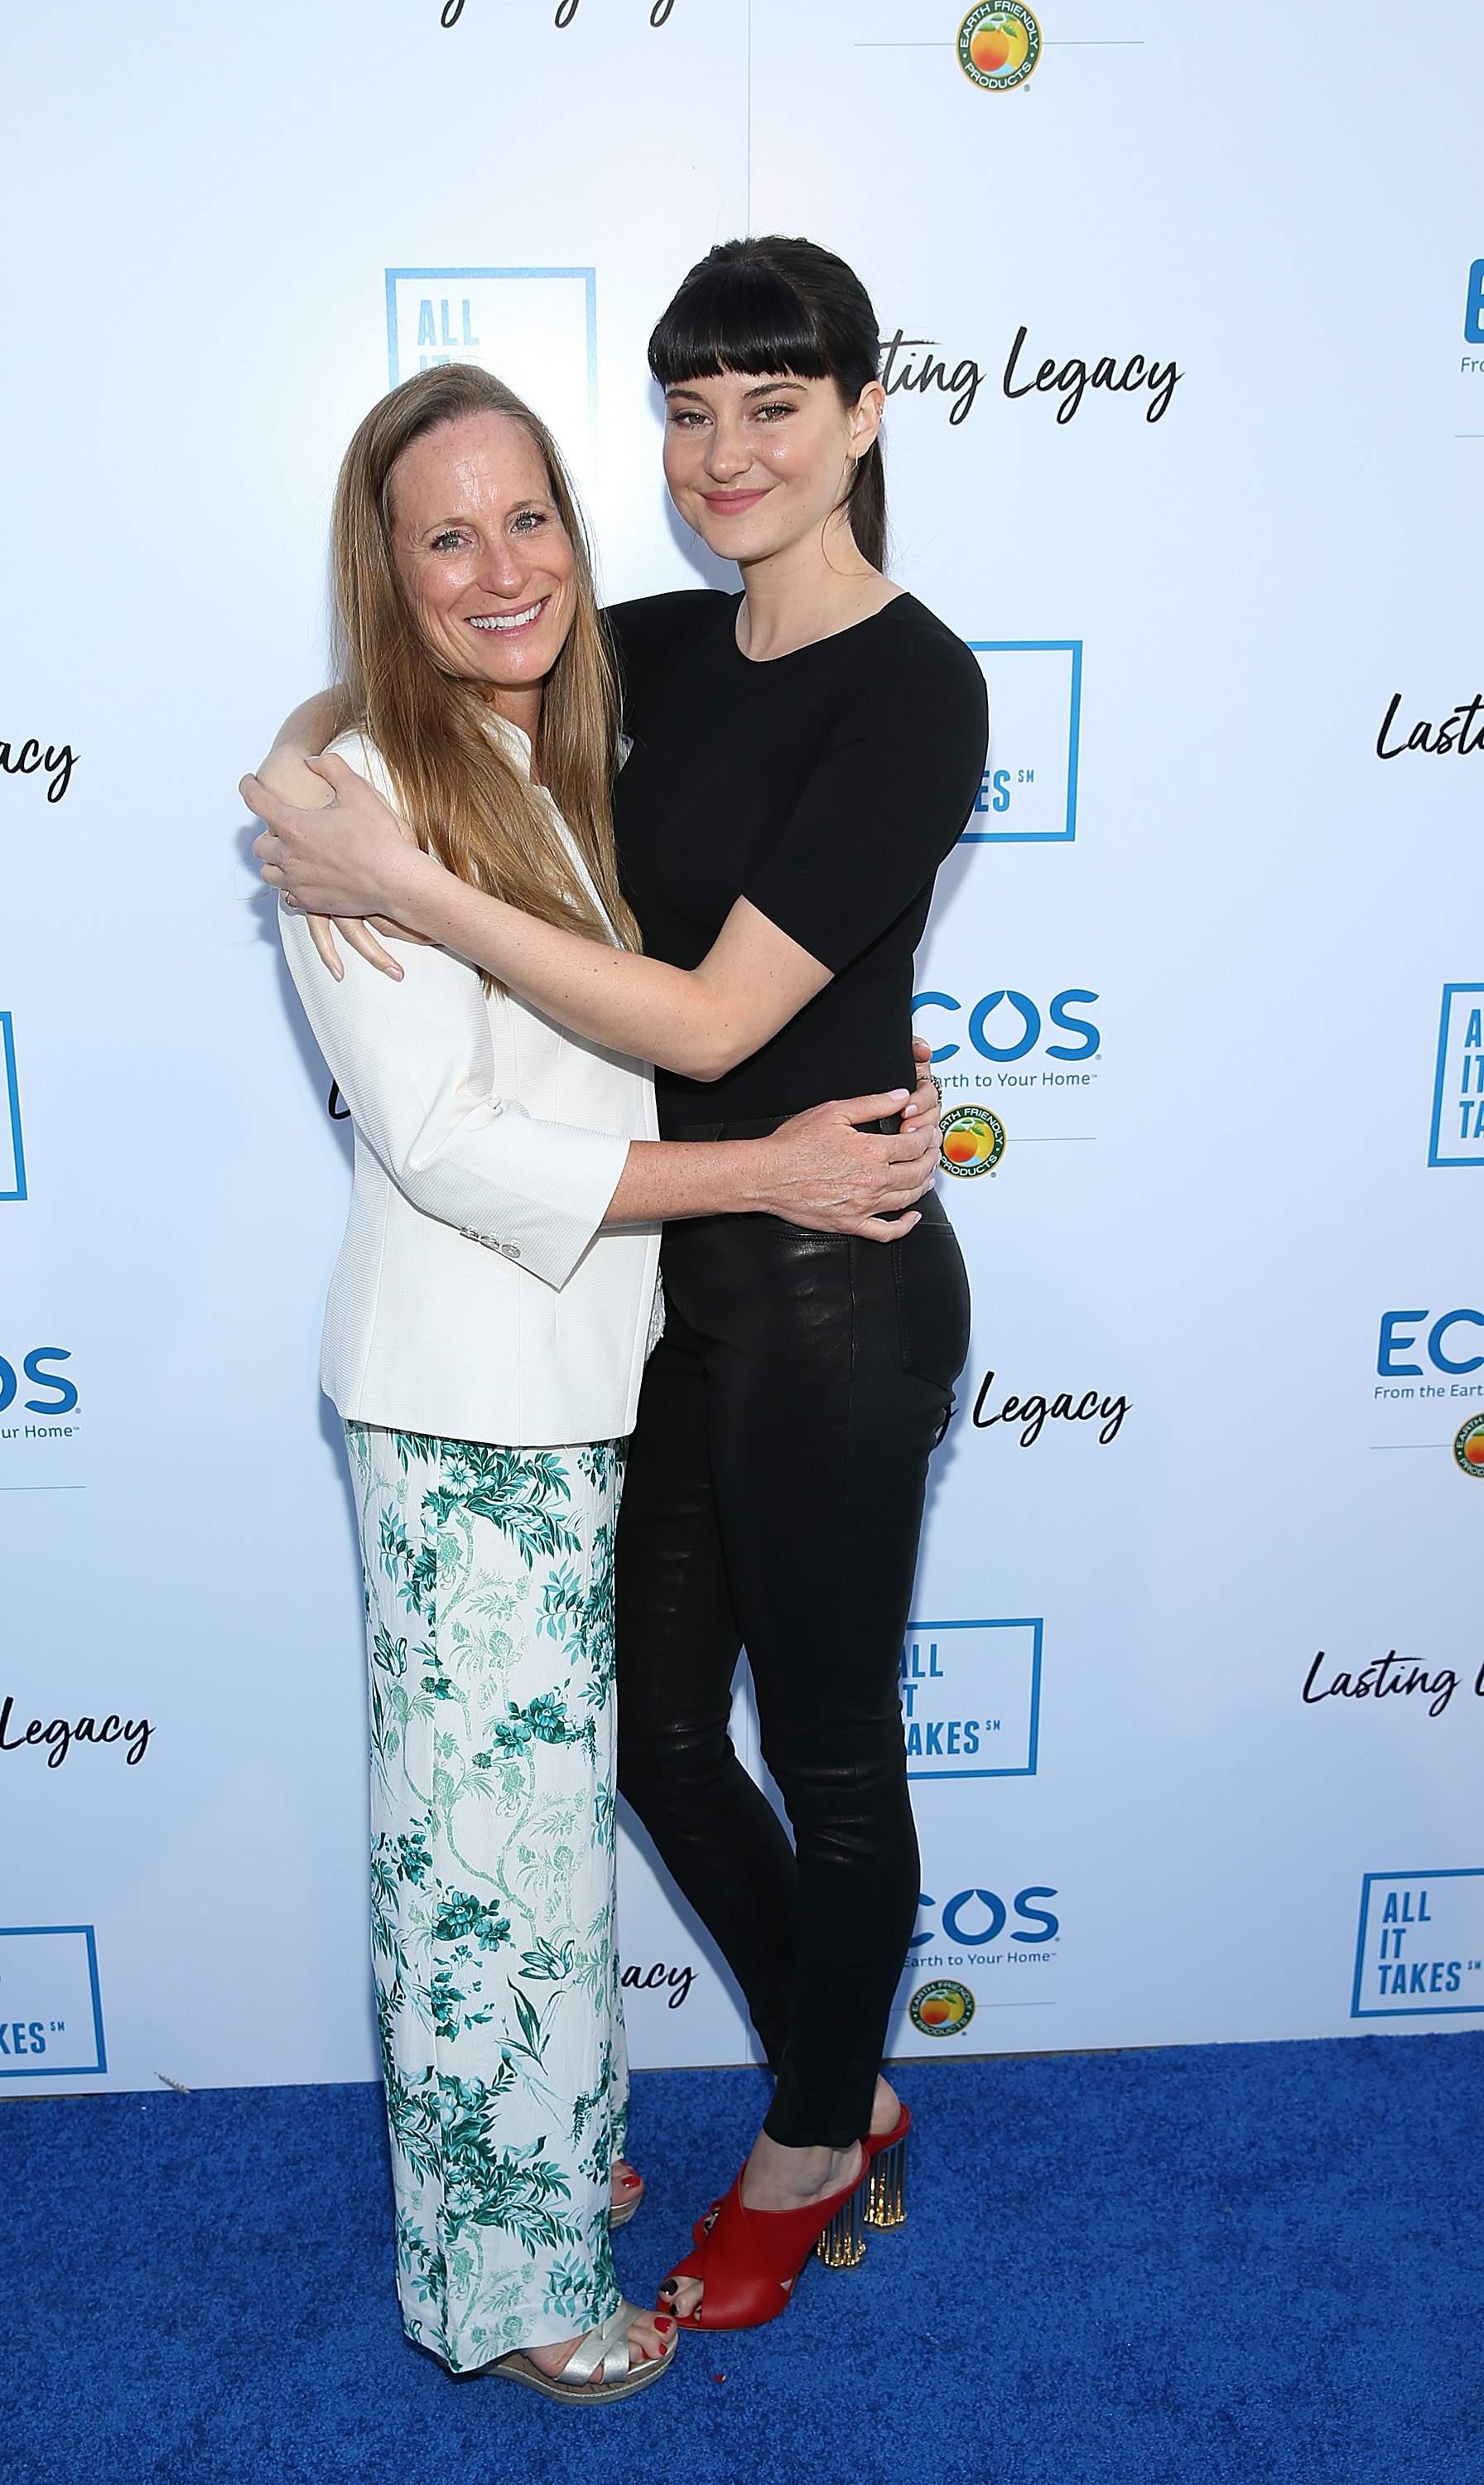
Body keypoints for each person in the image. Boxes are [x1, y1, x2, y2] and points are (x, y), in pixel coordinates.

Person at [250, 234, 985, 2333]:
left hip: (831, 1284)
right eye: (687, 409)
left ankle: (812, 2133)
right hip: (663, 1288)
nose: (726, 451)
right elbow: (401, 686)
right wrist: (310, 777)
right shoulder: (650, 648)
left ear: (862, 414)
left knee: (826, 1755)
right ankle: (844, 2073)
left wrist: (402, 885)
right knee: (658, 1740)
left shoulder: (916, 684)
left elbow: (711, 1017)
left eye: (774, 404)